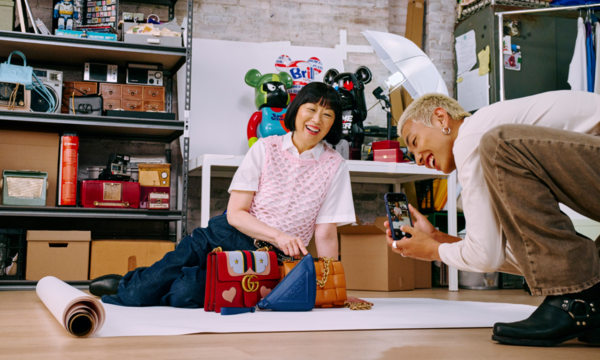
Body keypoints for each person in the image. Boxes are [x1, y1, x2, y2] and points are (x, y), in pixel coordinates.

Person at [101, 82, 367, 308]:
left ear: (334, 123)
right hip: (227, 234)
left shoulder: (335, 166)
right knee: (134, 296)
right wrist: (279, 235)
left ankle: (162, 281)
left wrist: (335, 288)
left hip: (269, 260)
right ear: (296, 111)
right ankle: (136, 282)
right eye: (311, 109)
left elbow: (325, 233)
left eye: (327, 114)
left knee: (187, 294)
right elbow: (237, 213)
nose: (317, 120)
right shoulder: (265, 148)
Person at [384, 90, 600, 347]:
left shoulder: (473, 136)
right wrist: (439, 239)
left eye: (415, 141)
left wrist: (434, 250)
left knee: (500, 143)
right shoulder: (489, 142)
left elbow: (486, 255)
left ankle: (571, 301)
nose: (418, 159)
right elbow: (532, 255)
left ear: (442, 119)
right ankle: (585, 305)